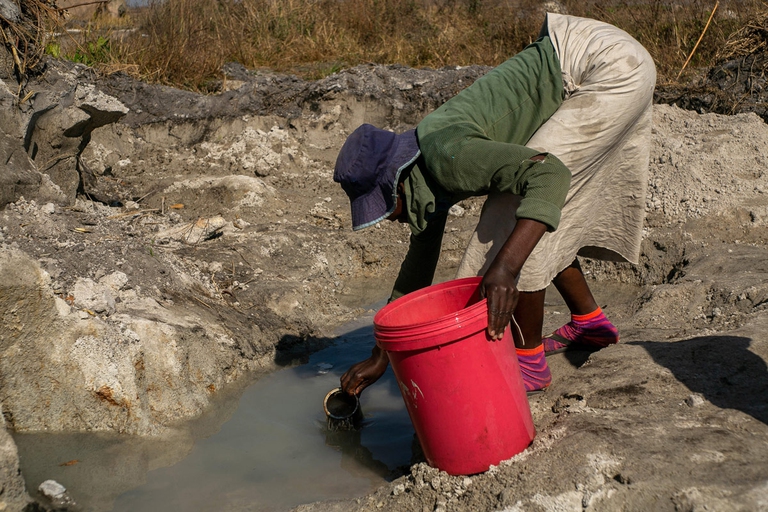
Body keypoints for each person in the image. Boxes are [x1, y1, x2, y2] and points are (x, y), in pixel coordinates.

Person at [333, 13, 656, 395]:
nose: (388, 219)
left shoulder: (446, 155)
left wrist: (504, 268)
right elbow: (415, 274)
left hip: (606, 65)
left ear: (396, 185)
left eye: (385, 209)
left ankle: (529, 361)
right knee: (530, 216)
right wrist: (381, 355)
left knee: (512, 218)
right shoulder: (423, 179)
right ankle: (590, 322)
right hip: (590, 53)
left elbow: (550, 175)